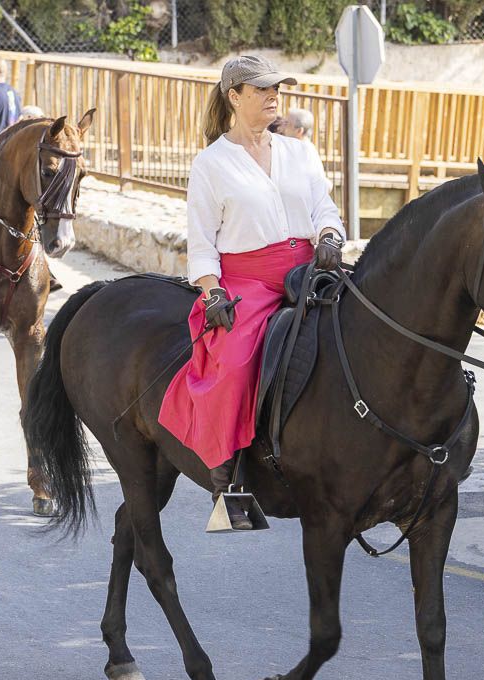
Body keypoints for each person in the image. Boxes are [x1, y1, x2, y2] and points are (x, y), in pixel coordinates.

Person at [157, 55, 346, 529]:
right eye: (261, 90)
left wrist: (328, 236)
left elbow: (325, 206)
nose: (272, 96)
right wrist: (212, 292)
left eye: (275, 88)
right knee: (237, 358)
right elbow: (202, 244)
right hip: (248, 279)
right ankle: (228, 480)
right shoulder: (211, 163)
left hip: (311, 267)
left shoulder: (299, 152)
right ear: (234, 97)